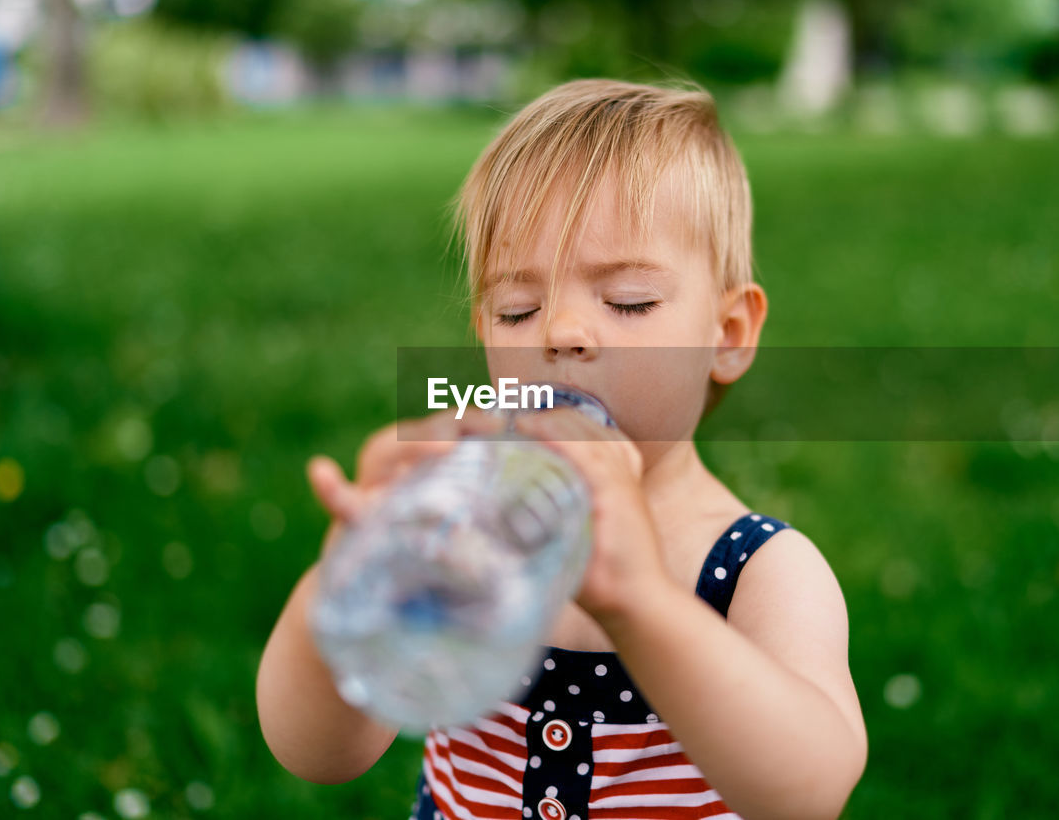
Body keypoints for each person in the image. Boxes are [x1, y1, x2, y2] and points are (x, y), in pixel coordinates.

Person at [256, 79, 868, 820]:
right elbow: (318, 752)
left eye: (629, 301)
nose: (562, 331)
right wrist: (354, 570)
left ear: (727, 334)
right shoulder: (467, 534)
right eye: (518, 309)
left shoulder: (756, 571)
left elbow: (809, 791)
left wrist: (641, 601)